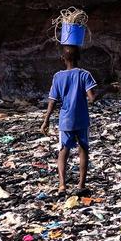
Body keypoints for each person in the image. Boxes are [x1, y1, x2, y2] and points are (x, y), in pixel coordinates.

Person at [40, 45, 97, 194]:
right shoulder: (85, 75)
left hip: (65, 120)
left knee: (63, 151)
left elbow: (52, 101)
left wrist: (46, 120)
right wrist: (109, 89)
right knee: (83, 149)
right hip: (82, 119)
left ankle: (62, 186)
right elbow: (92, 98)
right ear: (79, 57)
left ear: (62, 58)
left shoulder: (58, 76)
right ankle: (81, 185)